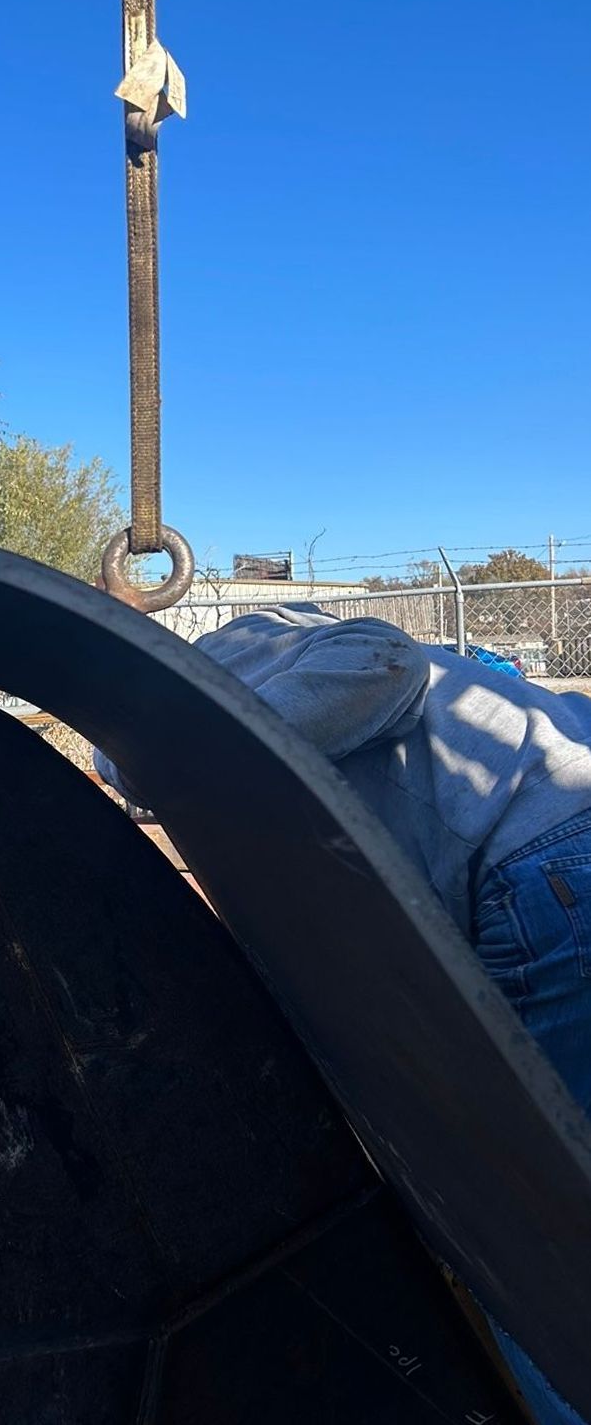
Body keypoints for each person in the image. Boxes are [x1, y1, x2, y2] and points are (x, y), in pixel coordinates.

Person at [95, 604, 591, 1425]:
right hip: (557, 849)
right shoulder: (451, 703)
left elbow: (382, 658)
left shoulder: (231, 647)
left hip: (546, 870)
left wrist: (185, 755)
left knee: (523, 1236)